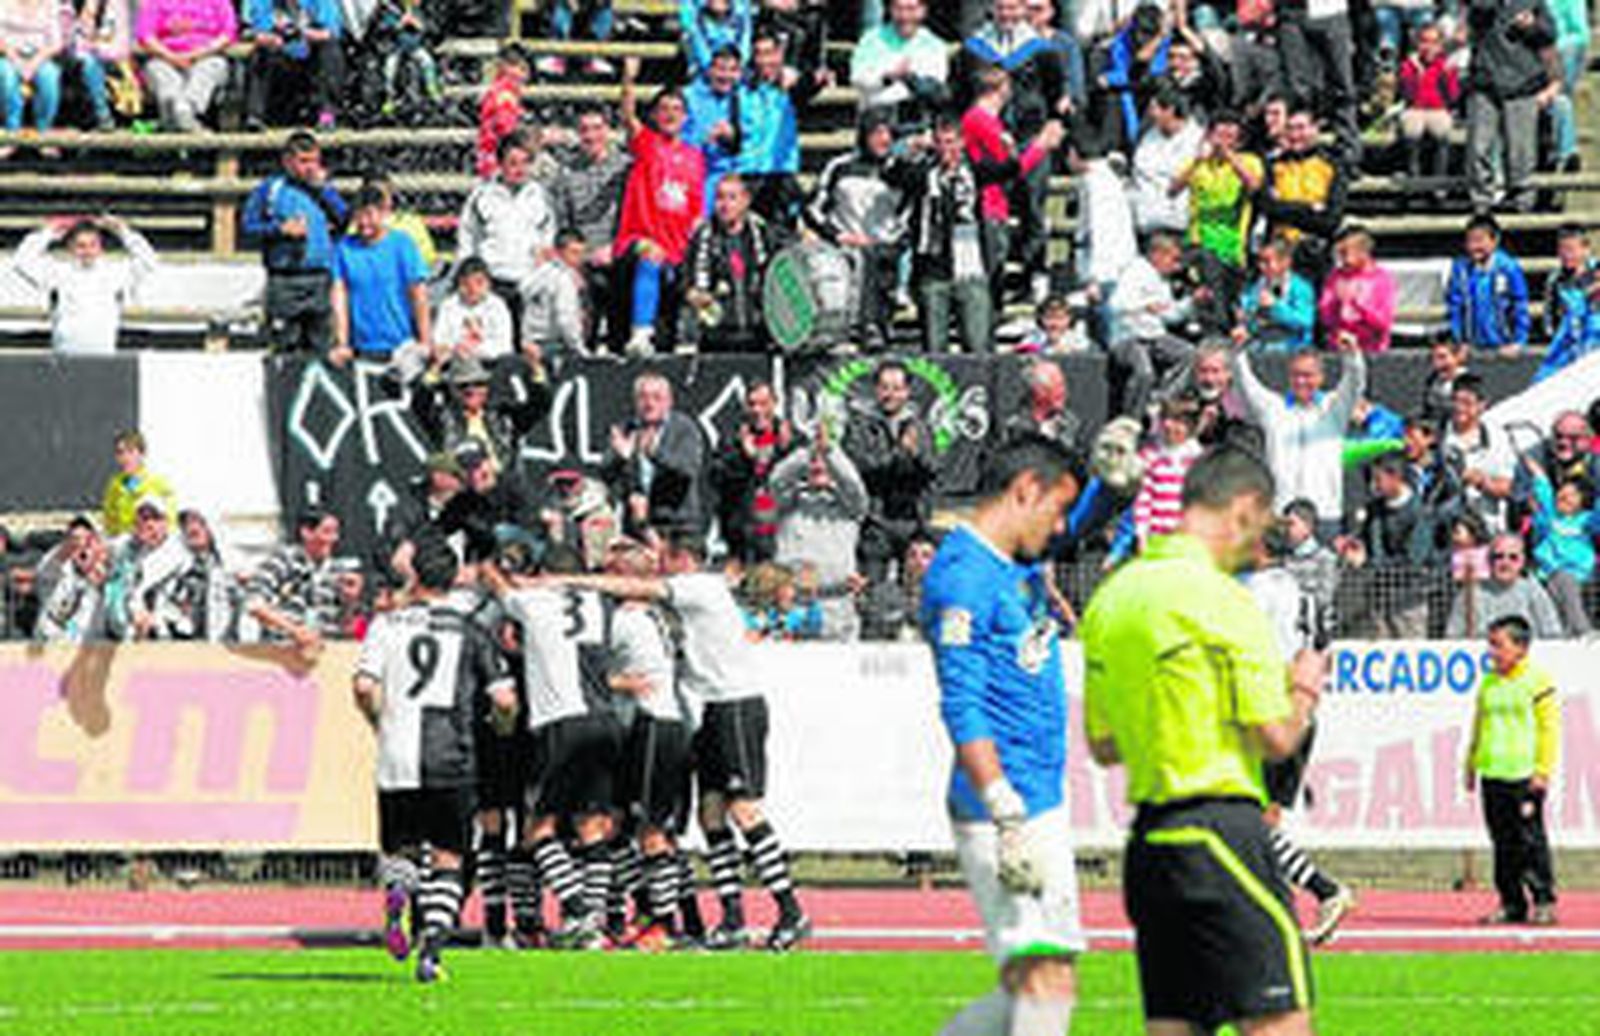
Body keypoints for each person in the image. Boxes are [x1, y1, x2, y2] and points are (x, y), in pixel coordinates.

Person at [1082, 448, 1325, 1036]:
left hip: (1151, 844)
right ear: (1242, 509)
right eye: (1261, 525)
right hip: (1221, 829)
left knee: (1176, 1023)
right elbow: (1273, 737)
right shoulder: (1224, 599)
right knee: (1279, 1020)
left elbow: (1105, 744)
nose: (1258, 544)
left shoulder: (1111, 598)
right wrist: (1304, 689)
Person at [545, 530, 812, 950]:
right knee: (710, 816)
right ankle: (732, 918)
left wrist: (574, 581)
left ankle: (791, 910)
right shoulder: (678, 605)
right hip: (705, 710)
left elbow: (637, 587)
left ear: (682, 558)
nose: (660, 565)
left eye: (665, 557)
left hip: (733, 704)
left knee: (743, 810)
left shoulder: (699, 586)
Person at [920, 435, 1084, 1036]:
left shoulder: (1006, 561)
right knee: (1045, 983)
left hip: (1036, 790)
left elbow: (1075, 519)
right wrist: (1002, 808)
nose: (1062, 525)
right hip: (1006, 803)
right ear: (1024, 492)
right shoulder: (961, 578)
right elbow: (960, 705)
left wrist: (1115, 491)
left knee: (1036, 986)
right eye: (1056, 509)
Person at [355, 539, 516, 982]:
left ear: (415, 576)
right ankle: (431, 950)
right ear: (453, 578)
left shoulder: (385, 625)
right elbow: (503, 699)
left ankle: (399, 890)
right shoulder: (470, 630)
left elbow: (365, 687)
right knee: (449, 858)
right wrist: (503, 725)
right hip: (451, 756)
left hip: (396, 755)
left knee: (400, 848)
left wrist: (377, 721)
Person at [483, 553, 627, 949]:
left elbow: (496, 584)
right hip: (604, 719)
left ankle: (578, 910)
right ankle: (592, 930)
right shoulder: (600, 604)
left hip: (560, 724)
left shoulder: (534, 602)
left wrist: (491, 566)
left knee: (537, 830)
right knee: (592, 828)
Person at [602, 537, 699, 945]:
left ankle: (662, 923)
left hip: (655, 726)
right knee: (626, 826)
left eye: (608, 572)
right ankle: (674, 915)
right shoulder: (657, 616)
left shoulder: (623, 620)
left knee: (650, 830)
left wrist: (614, 682)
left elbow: (591, 674)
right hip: (669, 724)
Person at [1464, 615, 1560, 926]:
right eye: (1490, 644)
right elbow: (1479, 725)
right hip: (1493, 773)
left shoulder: (1537, 681)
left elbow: (1549, 729)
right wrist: (1470, 763)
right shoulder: (1489, 682)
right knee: (1502, 843)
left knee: (1530, 841)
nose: (1492, 651)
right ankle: (1511, 902)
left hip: (1523, 775)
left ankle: (1543, 900)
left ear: (1520, 648)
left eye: (1498, 645)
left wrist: (1542, 771)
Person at [615, 56, 706, 357]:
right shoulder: (647, 143)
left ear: (686, 117)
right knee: (651, 256)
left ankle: (691, 338)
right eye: (664, 109)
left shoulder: (695, 157)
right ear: (653, 115)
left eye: (677, 110)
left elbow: (696, 207)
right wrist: (628, 79)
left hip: (679, 247)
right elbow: (627, 116)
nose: (670, 114)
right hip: (641, 239)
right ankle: (640, 334)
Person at [805, 108, 908, 352]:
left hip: (884, 256)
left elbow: (910, 216)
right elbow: (811, 209)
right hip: (843, 255)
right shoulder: (840, 167)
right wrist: (838, 235)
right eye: (877, 133)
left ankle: (877, 330)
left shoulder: (902, 171)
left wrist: (885, 243)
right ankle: (853, 332)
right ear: (864, 135)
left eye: (888, 133)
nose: (884, 139)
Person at [1235, 342, 1366, 528]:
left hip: (1325, 514)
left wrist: (1352, 356)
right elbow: (1246, 387)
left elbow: (1355, 384)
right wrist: (1238, 353)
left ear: (1321, 378)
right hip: (1281, 514)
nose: (1301, 381)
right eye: (1296, 375)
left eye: (1308, 375)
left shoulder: (1334, 408)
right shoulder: (1273, 408)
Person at [243, 132, 348, 355]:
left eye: (315, 161)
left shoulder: (324, 189)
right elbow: (247, 226)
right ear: (287, 161)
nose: (310, 168)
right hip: (284, 280)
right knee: (284, 348)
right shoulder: (270, 189)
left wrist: (324, 190)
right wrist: (279, 229)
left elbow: (345, 219)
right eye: (303, 161)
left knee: (321, 348)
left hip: (319, 279)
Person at [457, 129, 558, 349]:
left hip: (528, 282)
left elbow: (548, 235)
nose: (519, 169)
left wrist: (544, 256)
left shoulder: (540, 196)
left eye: (524, 163)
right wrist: (469, 275)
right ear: (500, 164)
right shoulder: (482, 196)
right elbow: (467, 237)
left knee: (528, 347)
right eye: (512, 163)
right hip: (493, 282)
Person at [770, 423, 868, 641]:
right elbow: (776, 480)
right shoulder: (789, 501)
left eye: (825, 464)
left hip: (837, 604)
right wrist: (808, 452)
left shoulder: (851, 506)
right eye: (814, 462)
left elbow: (853, 484)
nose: (819, 466)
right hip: (793, 604)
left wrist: (830, 451)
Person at [844, 360, 937, 589]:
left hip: (913, 520)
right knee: (872, 588)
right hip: (876, 521)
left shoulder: (920, 425)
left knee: (918, 588)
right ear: (875, 390)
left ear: (907, 391)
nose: (890, 394)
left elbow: (933, 469)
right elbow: (861, 469)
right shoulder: (859, 426)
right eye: (885, 387)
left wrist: (916, 457)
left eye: (897, 388)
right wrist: (899, 453)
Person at [1463, 0, 1561, 214]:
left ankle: (1522, 203)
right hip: (1485, 82)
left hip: (1523, 82)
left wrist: (1532, 25)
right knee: (1478, 146)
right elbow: (1477, 15)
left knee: (1521, 151)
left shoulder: (1534, 3)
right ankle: (1481, 202)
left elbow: (1550, 35)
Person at [10, 215, 158, 356]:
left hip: (104, 359)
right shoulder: (58, 271)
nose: (87, 251)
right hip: (65, 359)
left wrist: (123, 231)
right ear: (70, 248)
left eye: (93, 245)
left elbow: (149, 261)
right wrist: (49, 231)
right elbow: (21, 261)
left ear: (100, 247)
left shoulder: (115, 272)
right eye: (81, 246)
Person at [551, 105, 633, 351]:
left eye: (597, 129)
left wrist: (614, 248)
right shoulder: (566, 172)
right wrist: (574, 263)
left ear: (608, 131)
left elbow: (634, 216)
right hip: (582, 261)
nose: (591, 136)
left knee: (621, 327)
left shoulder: (626, 167)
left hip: (619, 256)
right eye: (584, 130)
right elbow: (563, 223)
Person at [1335, 453, 1440, 638]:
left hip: (1409, 602)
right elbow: (1367, 541)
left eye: (1378, 479)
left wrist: (1368, 563)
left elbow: (1414, 561)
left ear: (1396, 478)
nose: (1373, 485)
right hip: (1379, 599)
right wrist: (1352, 545)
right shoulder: (1374, 509)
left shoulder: (1420, 513)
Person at [680, 175, 784, 354]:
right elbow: (687, 280)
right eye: (720, 197)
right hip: (717, 338)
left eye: (732, 198)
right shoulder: (703, 236)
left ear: (746, 201)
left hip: (758, 336)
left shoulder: (764, 234)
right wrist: (694, 294)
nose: (725, 205)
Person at [330, 186, 432, 365]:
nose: (363, 222)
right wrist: (342, 342)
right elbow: (339, 296)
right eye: (358, 216)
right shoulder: (344, 249)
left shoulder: (402, 244)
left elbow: (418, 293)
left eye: (369, 215)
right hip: (361, 346)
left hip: (401, 345)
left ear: (384, 213)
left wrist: (425, 340)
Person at [602, 372, 708, 537]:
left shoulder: (684, 429)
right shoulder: (627, 429)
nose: (649, 404)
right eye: (643, 398)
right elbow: (605, 474)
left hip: (677, 526)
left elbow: (687, 470)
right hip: (636, 525)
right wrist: (620, 458)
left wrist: (655, 454)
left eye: (657, 398)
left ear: (669, 402)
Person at [1106, 233, 1194, 420]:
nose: (1176, 265)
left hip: (1154, 336)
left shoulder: (1162, 281)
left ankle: (1159, 400)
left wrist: (1192, 302)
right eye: (1173, 259)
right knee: (1144, 372)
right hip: (1127, 337)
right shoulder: (1135, 271)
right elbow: (1116, 305)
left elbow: (1170, 316)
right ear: (1157, 255)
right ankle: (1131, 420)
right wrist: (1143, 306)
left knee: (1190, 355)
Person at [1258, 105, 1345, 281]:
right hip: (1280, 253)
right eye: (1290, 128)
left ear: (1315, 129)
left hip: (1316, 253)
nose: (1295, 135)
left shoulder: (1331, 165)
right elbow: (1268, 208)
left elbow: (1331, 221)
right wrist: (1308, 208)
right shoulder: (1273, 166)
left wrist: (1285, 208)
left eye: (1301, 128)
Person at [243, 507, 344, 653]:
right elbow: (253, 603)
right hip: (281, 653)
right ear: (306, 533)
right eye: (327, 532)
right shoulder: (284, 561)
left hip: (322, 657)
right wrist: (293, 630)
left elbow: (341, 622)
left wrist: (350, 601)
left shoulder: (336, 569)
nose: (334, 539)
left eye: (335, 532)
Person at [1520, 454, 1598, 635]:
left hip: (1575, 573)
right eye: (1562, 492)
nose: (1564, 496)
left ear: (1583, 500)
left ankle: (1581, 628)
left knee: (1565, 582)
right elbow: (1544, 496)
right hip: (1546, 574)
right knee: (1550, 597)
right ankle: (1559, 634)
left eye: (1572, 494)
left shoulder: (1586, 520)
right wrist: (1538, 475)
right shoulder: (1550, 519)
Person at [849, 0, 950, 136]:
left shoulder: (934, 45)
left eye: (911, 9)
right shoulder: (871, 40)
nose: (904, 16)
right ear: (890, 9)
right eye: (898, 8)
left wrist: (909, 78)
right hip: (877, 124)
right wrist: (887, 77)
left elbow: (935, 87)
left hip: (917, 126)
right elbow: (857, 79)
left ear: (923, 11)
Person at [134, 0, 236, 132]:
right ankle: (183, 118)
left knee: (213, 66)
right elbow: (146, 36)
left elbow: (228, 34)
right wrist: (171, 56)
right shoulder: (156, 3)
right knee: (156, 69)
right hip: (165, 57)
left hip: (206, 56)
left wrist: (197, 54)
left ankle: (185, 109)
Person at [242, 0, 344, 130]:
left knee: (331, 51)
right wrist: (267, 38)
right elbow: (249, 31)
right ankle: (255, 117)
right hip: (278, 59)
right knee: (260, 54)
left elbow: (332, 33)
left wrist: (304, 33)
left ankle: (327, 116)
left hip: (310, 59)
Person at [1445, 533, 1566, 639]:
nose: (1505, 562)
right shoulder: (1470, 594)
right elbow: (1453, 637)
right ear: (1489, 561)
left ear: (1522, 562)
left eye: (1513, 557)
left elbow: (1553, 634)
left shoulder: (1534, 591)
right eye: (1499, 556)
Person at [1446, 214, 1530, 356]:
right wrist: (1459, 341)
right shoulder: (1460, 269)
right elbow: (1455, 307)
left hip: (1504, 346)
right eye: (1470, 241)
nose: (1474, 246)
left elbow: (1520, 305)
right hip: (1471, 347)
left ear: (1494, 240)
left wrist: (1518, 342)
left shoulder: (1509, 268)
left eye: (1479, 241)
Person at [1443, 373, 1515, 534]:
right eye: (1455, 401)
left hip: (1487, 525)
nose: (1459, 408)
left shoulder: (1498, 438)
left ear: (1482, 406)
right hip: (1447, 525)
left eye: (1467, 403)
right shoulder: (1439, 435)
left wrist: (1482, 482)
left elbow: (1509, 487)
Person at [1130, 86, 1204, 238]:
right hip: (1146, 219)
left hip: (1178, 222)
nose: (1151, 114)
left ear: (1170, 110)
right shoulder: (1148, 137)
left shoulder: (1196, 139)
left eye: (1154, 108)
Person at [1132, 395, 1203, 551]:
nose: (1170, 425)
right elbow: (1144, 498)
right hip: (1157, 539)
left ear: (1191, 428)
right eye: (1167, 419)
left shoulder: (1198, 459)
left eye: (1179, 422)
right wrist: (1142, 534)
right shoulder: (1150, 457)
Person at [1318, 225, 1397, 353]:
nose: (1341, 259)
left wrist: (1359, 305)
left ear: (1363, 252)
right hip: (1340, 348)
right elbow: (1326, 318)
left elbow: (1383, 323)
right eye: (1339, 253)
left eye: (1345, 253)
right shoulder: (1335, 277)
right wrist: (1337, 303)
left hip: (1371, 350)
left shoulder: (1381, 279)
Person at [1397, 22, 1459, 184]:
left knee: (1442, 129)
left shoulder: (1446, 64)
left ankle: (1439, 182)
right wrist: (1414, 73)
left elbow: (1452, 96)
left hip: (1438, 108)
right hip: (1415, 108)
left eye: (1434, 42)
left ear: (1440, 45)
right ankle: (1413, 177)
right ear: (1417, 44)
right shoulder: (1409, 64)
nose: (1429, 47)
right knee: (1412, 129)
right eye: (1424, 41)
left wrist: (1448, 74)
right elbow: (1407, 95)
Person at [0, 0, 67, 149]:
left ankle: (43, 135)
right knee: (6, 76)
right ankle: (12, 136)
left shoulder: (50, 4)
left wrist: (34, 63)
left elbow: (56, 43)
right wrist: (16, 60)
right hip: (9, 56)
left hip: (41, 56)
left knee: (49, 77)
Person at [1234, 236, 1315, 354]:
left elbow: (1305, 321)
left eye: (1267, 262)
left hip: (1290, 347)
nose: (1261, 267)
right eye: (1260, 261)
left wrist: (1276, 307)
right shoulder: (1258, 285)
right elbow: (1249, 312)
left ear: (1286, 262)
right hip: (1260, 344)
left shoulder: (1300, 288)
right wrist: (1244, 324)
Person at [1539, 225, 1600, 382]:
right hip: (1567, 348)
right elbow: (1550, 316)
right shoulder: (1555, 280)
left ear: (1586, 249)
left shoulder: (1597, 273)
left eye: (1571, 249)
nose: (1566, 255)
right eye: (1562, 250)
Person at [66, 0, 133, 132]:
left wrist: (97, 48)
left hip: (110, 59)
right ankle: (102, 117)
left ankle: (103, 117)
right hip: (77, 61)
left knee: (92, 64)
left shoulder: (117, 5)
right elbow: (68, 42)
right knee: (88, 64)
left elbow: (122, 46)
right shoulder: (70, 6)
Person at [432, 257, 514, 364]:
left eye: (479, 283)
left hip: (489, 363)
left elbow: (504, 346)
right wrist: (455, 348)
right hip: (455, 362)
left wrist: (475, 350)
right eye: (466, 284)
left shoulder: (497, 306)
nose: (473, 290)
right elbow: (440, 340)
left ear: (488, 283)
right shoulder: (448, 306)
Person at [100, 431, 177, 537]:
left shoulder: (157, 482)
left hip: (150, 541)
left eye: (130, 452)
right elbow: (109, 518)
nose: (125, 457)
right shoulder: (115, 484)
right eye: (120, 452)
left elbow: (170, 519)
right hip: (123, 543)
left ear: (142, 454)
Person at [1004, 360, 1083, 452]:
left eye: (1061, 386)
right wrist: (1038, 428)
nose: (1061, 392)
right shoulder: (1022, 411)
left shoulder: (1067, 420)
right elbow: (1012, 428)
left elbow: (1073, 453)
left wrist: (1058, 438)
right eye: (1055, 388)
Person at [476, 45, 529, 180]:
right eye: (519, 68)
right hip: (499, 164)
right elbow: (506, 130)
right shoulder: (505, 94)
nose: (524, 74)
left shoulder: (499, 89)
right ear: (504, 67)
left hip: (492, 159)